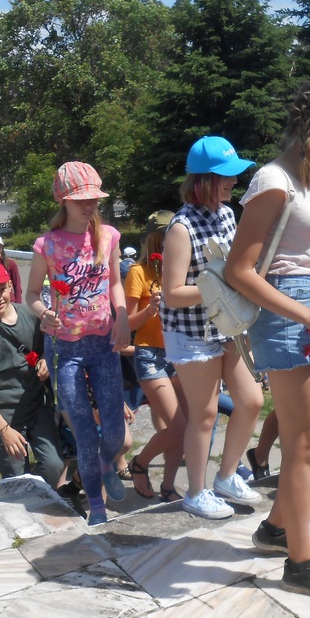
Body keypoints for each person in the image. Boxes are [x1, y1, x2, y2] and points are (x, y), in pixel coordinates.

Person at [225, 78, 310, 595]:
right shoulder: (273, 180)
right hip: (289, 314)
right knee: (303, 443)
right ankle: (298, 561)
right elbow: (241, 270)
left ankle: (278, 528)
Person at [161, 136, 264, 520]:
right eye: (225, 177)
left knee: (251, 400)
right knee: (204, 415)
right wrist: (219, 290)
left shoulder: (226, 215)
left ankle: (225, 476)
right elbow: (172, 294)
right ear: (202, 180)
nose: (232, 184)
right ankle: (197, 492)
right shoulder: (180, 227)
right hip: (191, 331)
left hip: (227, 326)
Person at [25, 161, 130, 527]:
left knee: (115, 430)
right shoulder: (47, 245)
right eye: (80, 200)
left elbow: (116, 283)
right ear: (63, 201)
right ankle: (96, 508)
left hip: (103, 344)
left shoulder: (108, 237)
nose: (89, 206)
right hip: (65, 349)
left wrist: (123, 316)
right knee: (83, 431)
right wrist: (43, 313)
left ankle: (103, 466)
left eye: (93, 200)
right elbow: (32, 294)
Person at [0, 260, 62, 490]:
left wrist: (45, 361)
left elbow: (46, 348)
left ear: (10, 286)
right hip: (5, 417)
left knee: (54, 466)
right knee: (18, 482)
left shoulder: (30, 315)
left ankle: (39, 489)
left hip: (37, 408)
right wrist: (4, 430)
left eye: (1, 290)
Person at [124, 214, 186, 501]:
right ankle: (140, 462)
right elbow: (126, 325)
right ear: (155, 238)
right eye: (166, 234)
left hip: (179, 350)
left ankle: (169, 486)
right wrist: (149, 312)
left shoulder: (181, 268)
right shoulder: (139, 272)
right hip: (150, 353)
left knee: (184, 427)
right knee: (178, 425)